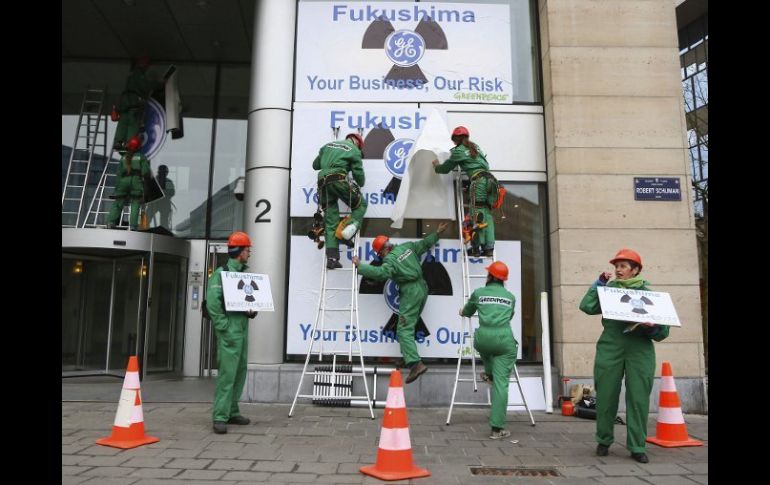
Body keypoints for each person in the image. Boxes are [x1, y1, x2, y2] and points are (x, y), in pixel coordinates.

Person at [579, 248, 670, 463]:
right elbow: (586, 306)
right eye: (616, 266)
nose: (618, 270)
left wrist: (651, 327)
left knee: (638, 397)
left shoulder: (650, 294)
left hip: (640, 349)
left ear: (635, 270)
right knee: (606, 395)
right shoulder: (608, 291)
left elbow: (663, 333)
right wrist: (599, 283)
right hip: (611, 346)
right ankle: (603, 440)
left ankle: (637, 446)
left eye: (623, 266)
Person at [352, 222, 449, 383]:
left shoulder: (389, 260)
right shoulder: (407, 247)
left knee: (404, 328)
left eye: (379, 254)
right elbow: (425, 244)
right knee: (410, 324)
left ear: (383, 250)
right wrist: (437, 233)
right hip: (422, 288)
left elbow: (381, 273)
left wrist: (360, 266)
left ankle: (415, 364)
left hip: (410, 293)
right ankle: (409, 355)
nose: (380, 256)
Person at [206, 231, 258, 434]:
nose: (249, 253)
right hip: (230, 331)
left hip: (242, 329)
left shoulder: (243, 275)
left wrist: (251, 310)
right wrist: (224, 327)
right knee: (228, 375)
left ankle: (232, 410)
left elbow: (245, 300)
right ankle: (220, 415)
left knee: (239, 372)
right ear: (239, 251)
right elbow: (213, 304)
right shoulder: (221, 273)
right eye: (247, 249)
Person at [459, 261, 518, 440]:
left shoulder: (479, 293)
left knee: (485, 347)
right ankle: (496, 429)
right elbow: (510, 315)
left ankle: (489, 372)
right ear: (503, 280)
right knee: (501, 385)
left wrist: (462, 311)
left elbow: (467, 311)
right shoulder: (510, 297)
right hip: (503, 338)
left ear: (490, 276)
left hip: (483, 338)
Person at [432, 126, 499, 257]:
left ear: (455, 139)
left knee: (476, 215)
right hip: (491, 183)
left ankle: (475, 248)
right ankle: (489, 248)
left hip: (479, 182)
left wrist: (436, 167)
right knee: (486, 214)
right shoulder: (475, 147)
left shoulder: (459, 151)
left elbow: (446, 168)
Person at [313, 133, 367, 269]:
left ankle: (332, 259)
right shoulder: (354, 151)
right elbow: (359, 178)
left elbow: (315, 165)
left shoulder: (326, 146)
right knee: (360, 204)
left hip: (322, 184)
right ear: (357, 143)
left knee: (331, 221)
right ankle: (345, 233)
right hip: (338, 180)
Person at [113, 56, 164, 152]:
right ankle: (129, 143)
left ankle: (118, 142)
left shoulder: (131, 75)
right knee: (133, 123)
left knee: (123, 122)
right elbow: (145, 86)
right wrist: (159, 84)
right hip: (133, 103)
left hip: (125, 104)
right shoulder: (139, 74)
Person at [107, 135, 151, 230]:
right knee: (135, 203)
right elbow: (145, 172)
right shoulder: (141, 157)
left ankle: (110, 222)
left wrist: (117, 188)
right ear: (139, 146)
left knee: (118, 202)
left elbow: (118, 173)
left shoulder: (123, 157)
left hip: (123, 181)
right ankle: (133, 226)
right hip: (136, 181)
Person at [147, 164, 175, 229]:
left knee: (164, 222)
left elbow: (172, 192)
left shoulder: (168, 182)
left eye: (164, 172)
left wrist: (162, 192)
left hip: (163, 203)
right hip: (154, 203)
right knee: (147, 220)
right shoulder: (154, 180)